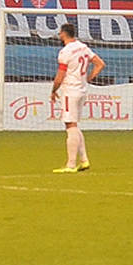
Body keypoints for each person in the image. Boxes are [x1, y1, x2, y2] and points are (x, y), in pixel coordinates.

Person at [51, 23, 105, 174]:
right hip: (81, 90)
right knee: (74, 125)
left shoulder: (65, 52)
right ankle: (84, 160)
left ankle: (71, 164)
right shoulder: (83, 47)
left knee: (70, 126)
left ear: (63, 33)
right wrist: (88, 78)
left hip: (70, 90)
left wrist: (54, 90)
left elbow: (60, 76)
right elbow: (100, 64)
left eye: (60, 32)